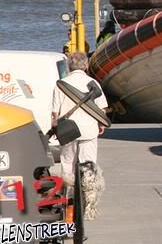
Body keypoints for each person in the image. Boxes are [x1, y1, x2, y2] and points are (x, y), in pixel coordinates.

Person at [51, 52, 108, 220]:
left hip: (68, 130)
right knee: (88, 166)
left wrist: (55, 128)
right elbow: (102, 109)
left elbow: (54, 113)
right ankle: (89, 202)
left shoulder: (61, 84)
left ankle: (68, 201)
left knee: (67, 164)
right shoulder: (93, 83)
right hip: (89, 130)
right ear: (86, 66)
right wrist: (100, 125)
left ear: (69, 66)